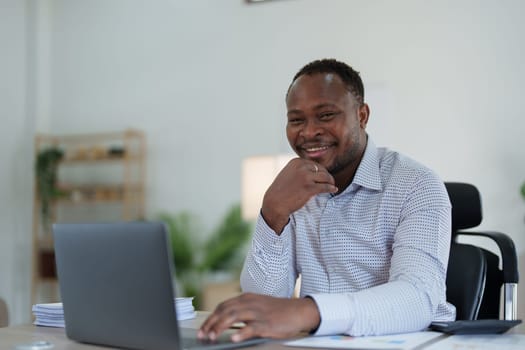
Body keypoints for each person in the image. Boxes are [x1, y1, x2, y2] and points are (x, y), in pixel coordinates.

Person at [198, 58, 455, 342]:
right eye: (296, 120)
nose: (308, 132)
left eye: (326, 115)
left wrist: (308, 312)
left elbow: (417, 299)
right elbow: (263, 303)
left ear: (362, 116)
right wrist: (272, 213)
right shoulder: (292, 188)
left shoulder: (415, 184)